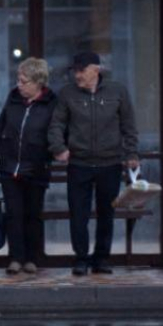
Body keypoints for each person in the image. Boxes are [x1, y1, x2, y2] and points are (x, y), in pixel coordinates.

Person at [48, 51, 139, 276]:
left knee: (106, 213)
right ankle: (81, 258)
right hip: (79, 164)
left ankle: (101, 258)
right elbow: (56, 124)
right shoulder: (67, 94)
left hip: (110, 163)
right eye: (75, 70)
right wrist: (58, 148)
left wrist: (131, 153)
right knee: (78, 214)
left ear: (96, 70)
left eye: (82, 70)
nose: (77, 75)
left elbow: (129, 125)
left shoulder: (117, 91)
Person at [0, 57, 58, 275]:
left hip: (36, 169)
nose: (19, 84)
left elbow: (57, 133)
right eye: (18, 79)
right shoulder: (13, 98)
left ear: (38, 82)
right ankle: (16, 258)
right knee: (13, 214)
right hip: (9, 167)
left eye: (24, 81)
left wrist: (52, 154)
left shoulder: (51, 103)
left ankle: (32, 258)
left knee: (33, 215)